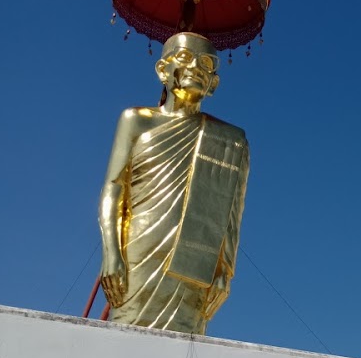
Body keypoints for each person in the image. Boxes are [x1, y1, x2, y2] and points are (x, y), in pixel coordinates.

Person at [98, 32, 249, 336]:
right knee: (125, 338)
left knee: (182, 353)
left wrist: (225, 271)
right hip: (139, 248)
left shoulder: (229, 141)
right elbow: (114, 189)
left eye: (206, 63)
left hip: (196, 259)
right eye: (184, 58)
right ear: (162, 69)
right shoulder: (136, 120)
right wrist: (111, 253)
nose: (195, 67)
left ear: (214, 83)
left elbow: (232, 215)